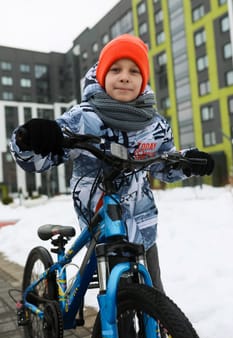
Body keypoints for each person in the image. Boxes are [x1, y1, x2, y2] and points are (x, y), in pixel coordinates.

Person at [10, 34, 214, 293]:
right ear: (102, 75)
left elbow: (164, 162)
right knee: (117, 299)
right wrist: (30, 139)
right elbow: (42, 157)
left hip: (142, 224)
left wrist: (187, 161)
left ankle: (160, 329)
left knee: (155, 291)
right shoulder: (84, 118)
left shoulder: (154, 124)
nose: (125, 76)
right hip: (100, 219)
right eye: (115, 69)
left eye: (134, 71)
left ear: (143, 80)